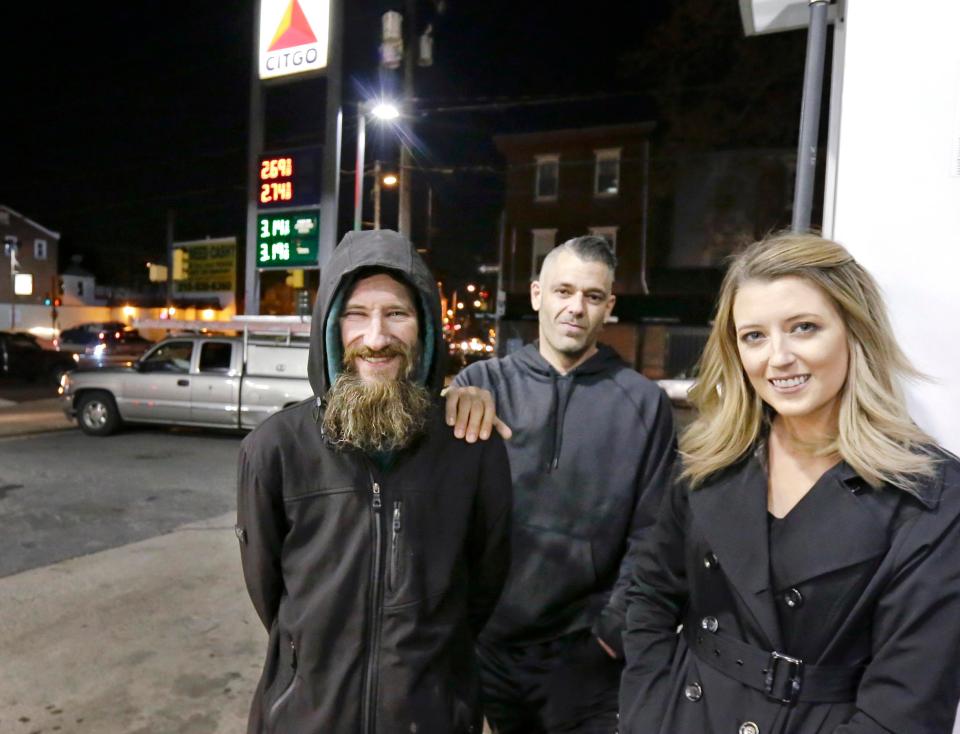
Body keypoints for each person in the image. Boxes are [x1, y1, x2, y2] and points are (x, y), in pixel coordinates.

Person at [619, 232, 960, 734]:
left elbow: (906, 709)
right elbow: (649, 594)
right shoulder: (711, 455)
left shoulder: (930, 495)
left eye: (803, 328)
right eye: (754, 336)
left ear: (854, 331)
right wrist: (649, 712)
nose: (777, 358)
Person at [236, 229, 513, 734]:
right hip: (304, 718)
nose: (377, 337)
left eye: (397, 314)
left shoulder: (471, 447)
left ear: (426, 327)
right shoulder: (274, 448)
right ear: (329, 328)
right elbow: (269, 591)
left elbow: (484, 583)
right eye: (356, 315)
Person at [452, 235, 677, 733]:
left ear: (609, 307)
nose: (576, 308)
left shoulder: (643, 403)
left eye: (592, 297)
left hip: (584, 657)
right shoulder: (480, 387)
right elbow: (440, 513)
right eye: (563, 291)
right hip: (486, 647)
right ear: (537, 295)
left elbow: (655, 533)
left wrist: (610, 635)